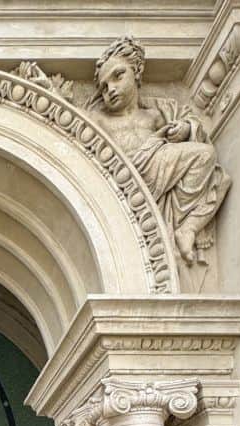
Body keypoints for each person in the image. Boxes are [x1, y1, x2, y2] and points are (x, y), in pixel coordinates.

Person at [91, 35, 230, 265]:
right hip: (125, 180)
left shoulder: (158, 112)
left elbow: (190, 123)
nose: (111, 89)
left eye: (117, 76)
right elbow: (68, 124)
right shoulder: (99, 118)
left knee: (214, 169)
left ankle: (188, 228)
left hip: (160, 166)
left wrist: (185, 129)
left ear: (136, 72)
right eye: (104, 88)